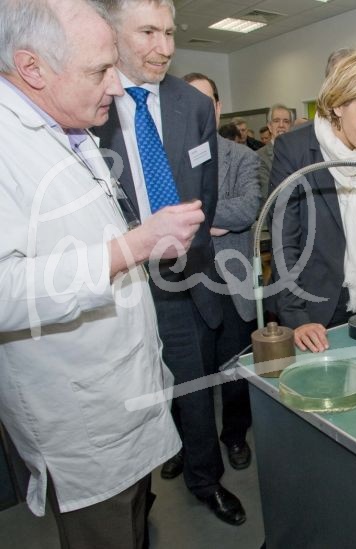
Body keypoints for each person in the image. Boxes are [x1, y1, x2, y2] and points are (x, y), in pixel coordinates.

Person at [0, 0, 208, 545]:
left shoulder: (70, 129)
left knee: (134, 521)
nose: (116, 88)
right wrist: (133, 247)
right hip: (82, 420)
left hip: (124, 395)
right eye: (99, 72)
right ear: (32, 68)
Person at [93, 0, 246, 526]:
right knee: (127, 395)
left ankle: (205, 480)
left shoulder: (192, 104)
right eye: (148, 33)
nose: (164, 48)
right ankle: (135, 492)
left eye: (170, 33)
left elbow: (204, 195)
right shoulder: (89, 99)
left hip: (181, 277)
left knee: (193, 386)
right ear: (112, 32)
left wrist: (188, 250)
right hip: (113, 278)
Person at [269, 49, 356, 353]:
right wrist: (296, 317)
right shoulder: (295, 149)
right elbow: (283, 240)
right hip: (313, 309)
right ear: (338, 104)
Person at [184, 72, 261, 471]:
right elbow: (161, 215)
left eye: (206, 102)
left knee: (234, 370)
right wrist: (214, 221)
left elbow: (248, 208)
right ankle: (190, 449)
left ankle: (235, 435)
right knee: (190, 373)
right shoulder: (168, 158)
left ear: (217, 107)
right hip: (184, 282)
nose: (199, 110)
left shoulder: (243, 156)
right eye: (189, 102)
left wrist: (196, 217)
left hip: (231, 281)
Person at [256, 103, 294, 200]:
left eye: (286, 121)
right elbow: (267, 192)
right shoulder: (259, 157)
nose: (281, 125)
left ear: (291, 126)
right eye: (276, 121)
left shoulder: (301, 153)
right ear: (269, 126)